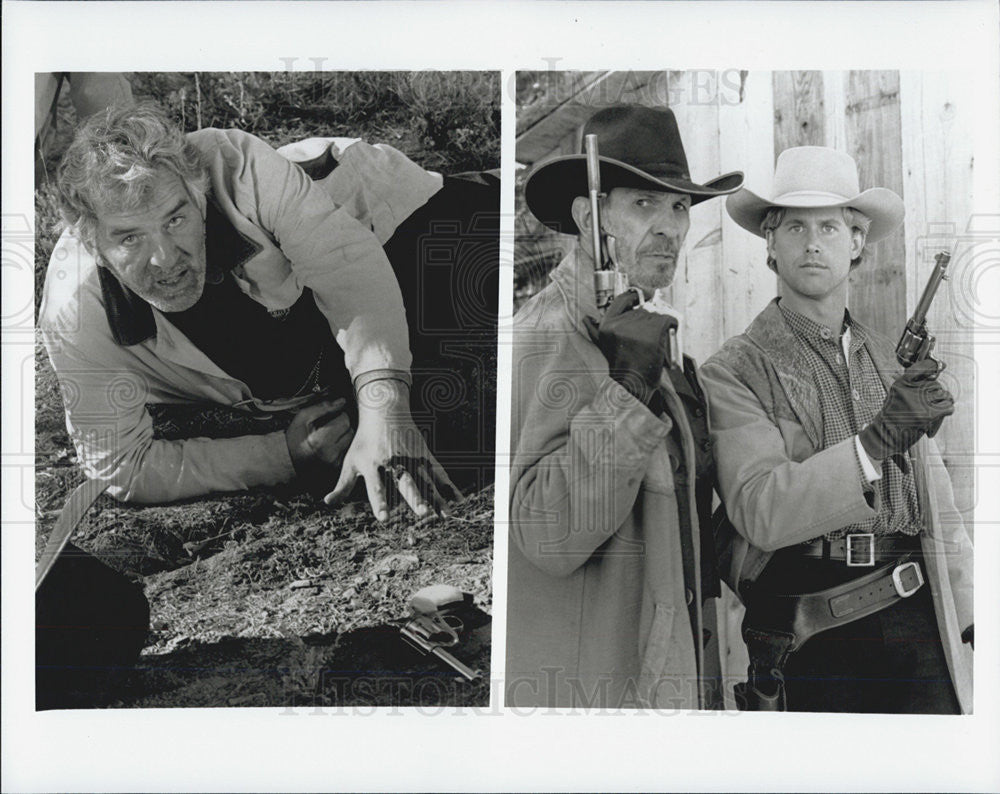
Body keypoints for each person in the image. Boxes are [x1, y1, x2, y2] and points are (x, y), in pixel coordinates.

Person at [40, 101, 498, 518]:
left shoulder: (238, 163)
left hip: (384, 219)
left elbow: (349, 270)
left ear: (199, 197)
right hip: (305, 324)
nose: (165, 257)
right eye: (129, 238)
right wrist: (283, 453)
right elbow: (121, 465)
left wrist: (385, 406)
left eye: (175, 219)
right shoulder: (73, 314)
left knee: (498, 252)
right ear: (92, 243)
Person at [700, 146, 974, 713]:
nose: (813, 241)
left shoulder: (886, 360)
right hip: (810, 630)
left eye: (830, 225)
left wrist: (969, 611)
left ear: (857, 245)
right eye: (794, 226)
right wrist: (875, 445)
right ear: (770, 246)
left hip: (917, 620)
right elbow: (760, 509)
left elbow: (937, 504)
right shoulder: (733, 370)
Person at [506, 105, 744, 709]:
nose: (669, 227)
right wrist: (625, 395)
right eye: (643, 204)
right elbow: (546, 533)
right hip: (602, 695)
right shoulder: (547, 335)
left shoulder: (643, 334)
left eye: (679, 207)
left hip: (673, 669)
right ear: (590, 217)